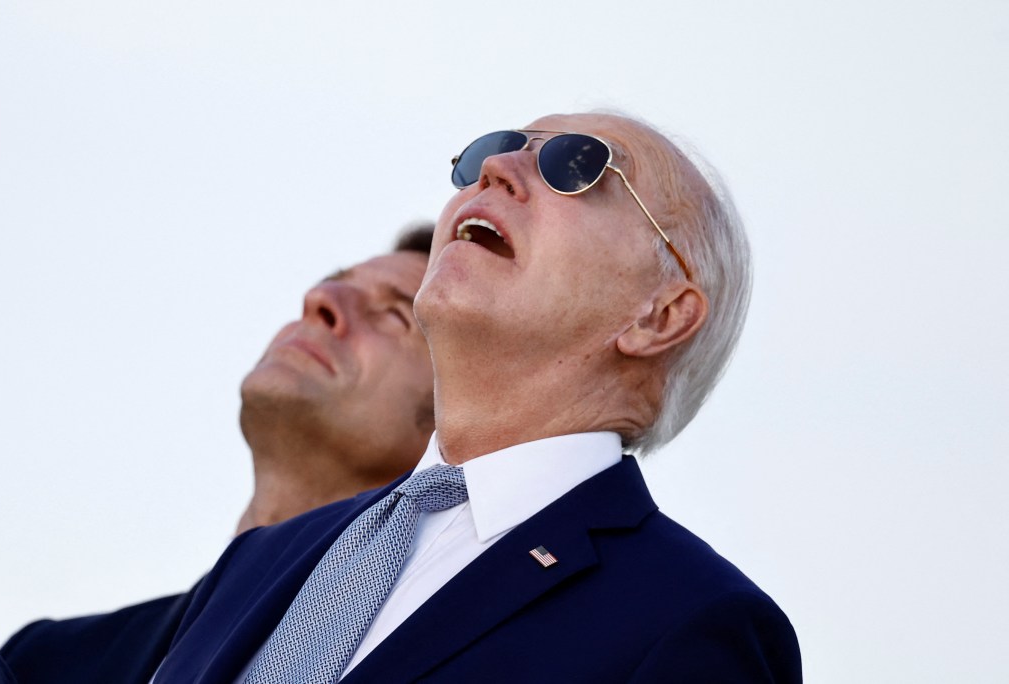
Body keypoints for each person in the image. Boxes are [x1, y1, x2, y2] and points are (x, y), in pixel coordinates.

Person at [154, 113, 802, 682]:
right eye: (492, 148)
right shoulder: (261, 560)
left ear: (658, 317)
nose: (495, 167)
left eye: (574, 164)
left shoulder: (690, 619)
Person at [0, 224, 437, 684]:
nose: (319, 300)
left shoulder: (453, 654)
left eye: (393, 314)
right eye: (335, 283)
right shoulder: (45, 661)